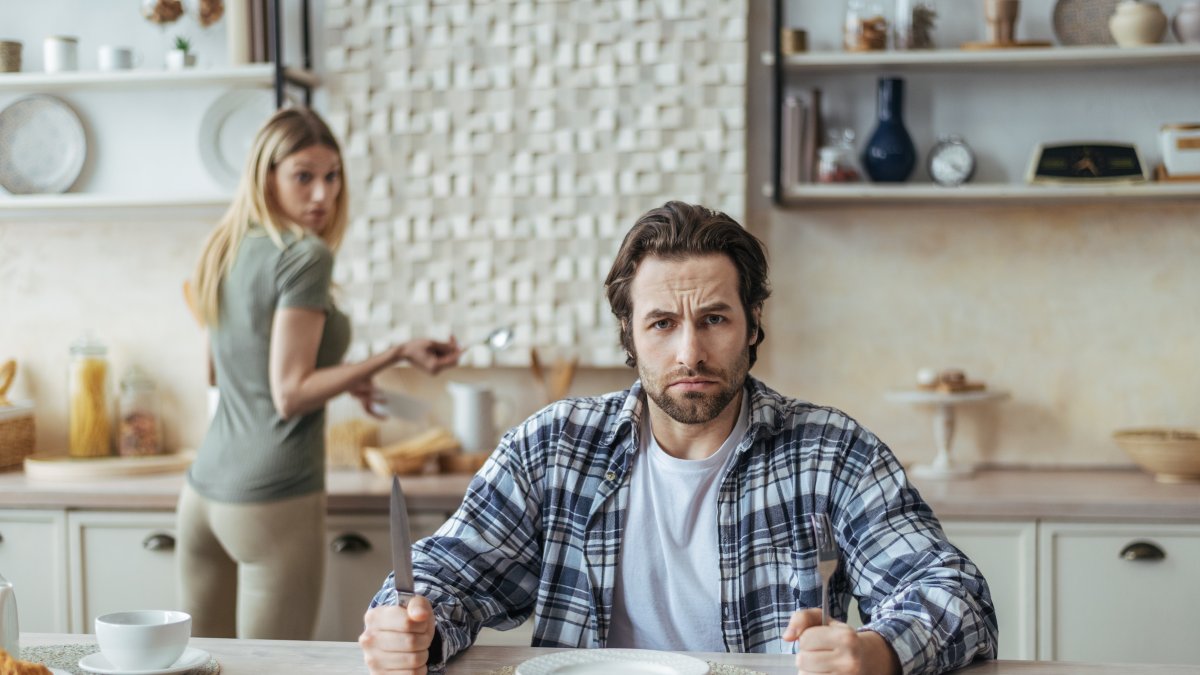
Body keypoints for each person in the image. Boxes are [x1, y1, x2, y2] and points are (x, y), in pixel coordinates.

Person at [358, 201, 997, 675]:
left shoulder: (830, 452)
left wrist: (878, 651)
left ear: (752, 325)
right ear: (629, 337)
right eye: (662, 323)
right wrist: (413, 622)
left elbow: (956, 594)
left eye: (714, 318)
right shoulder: (551, 447)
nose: (690, 352)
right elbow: (448, 571)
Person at [179, 107, 462, 640]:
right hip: (271, 498)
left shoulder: (225, 245)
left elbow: (221, 370)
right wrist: (396, 352)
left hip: (202, 496)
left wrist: (345, 374)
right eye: (303, 176)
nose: (322, 195)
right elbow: (288, 394)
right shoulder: (305, 256)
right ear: (267, 177)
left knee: (199, 669)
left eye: (332, 177)